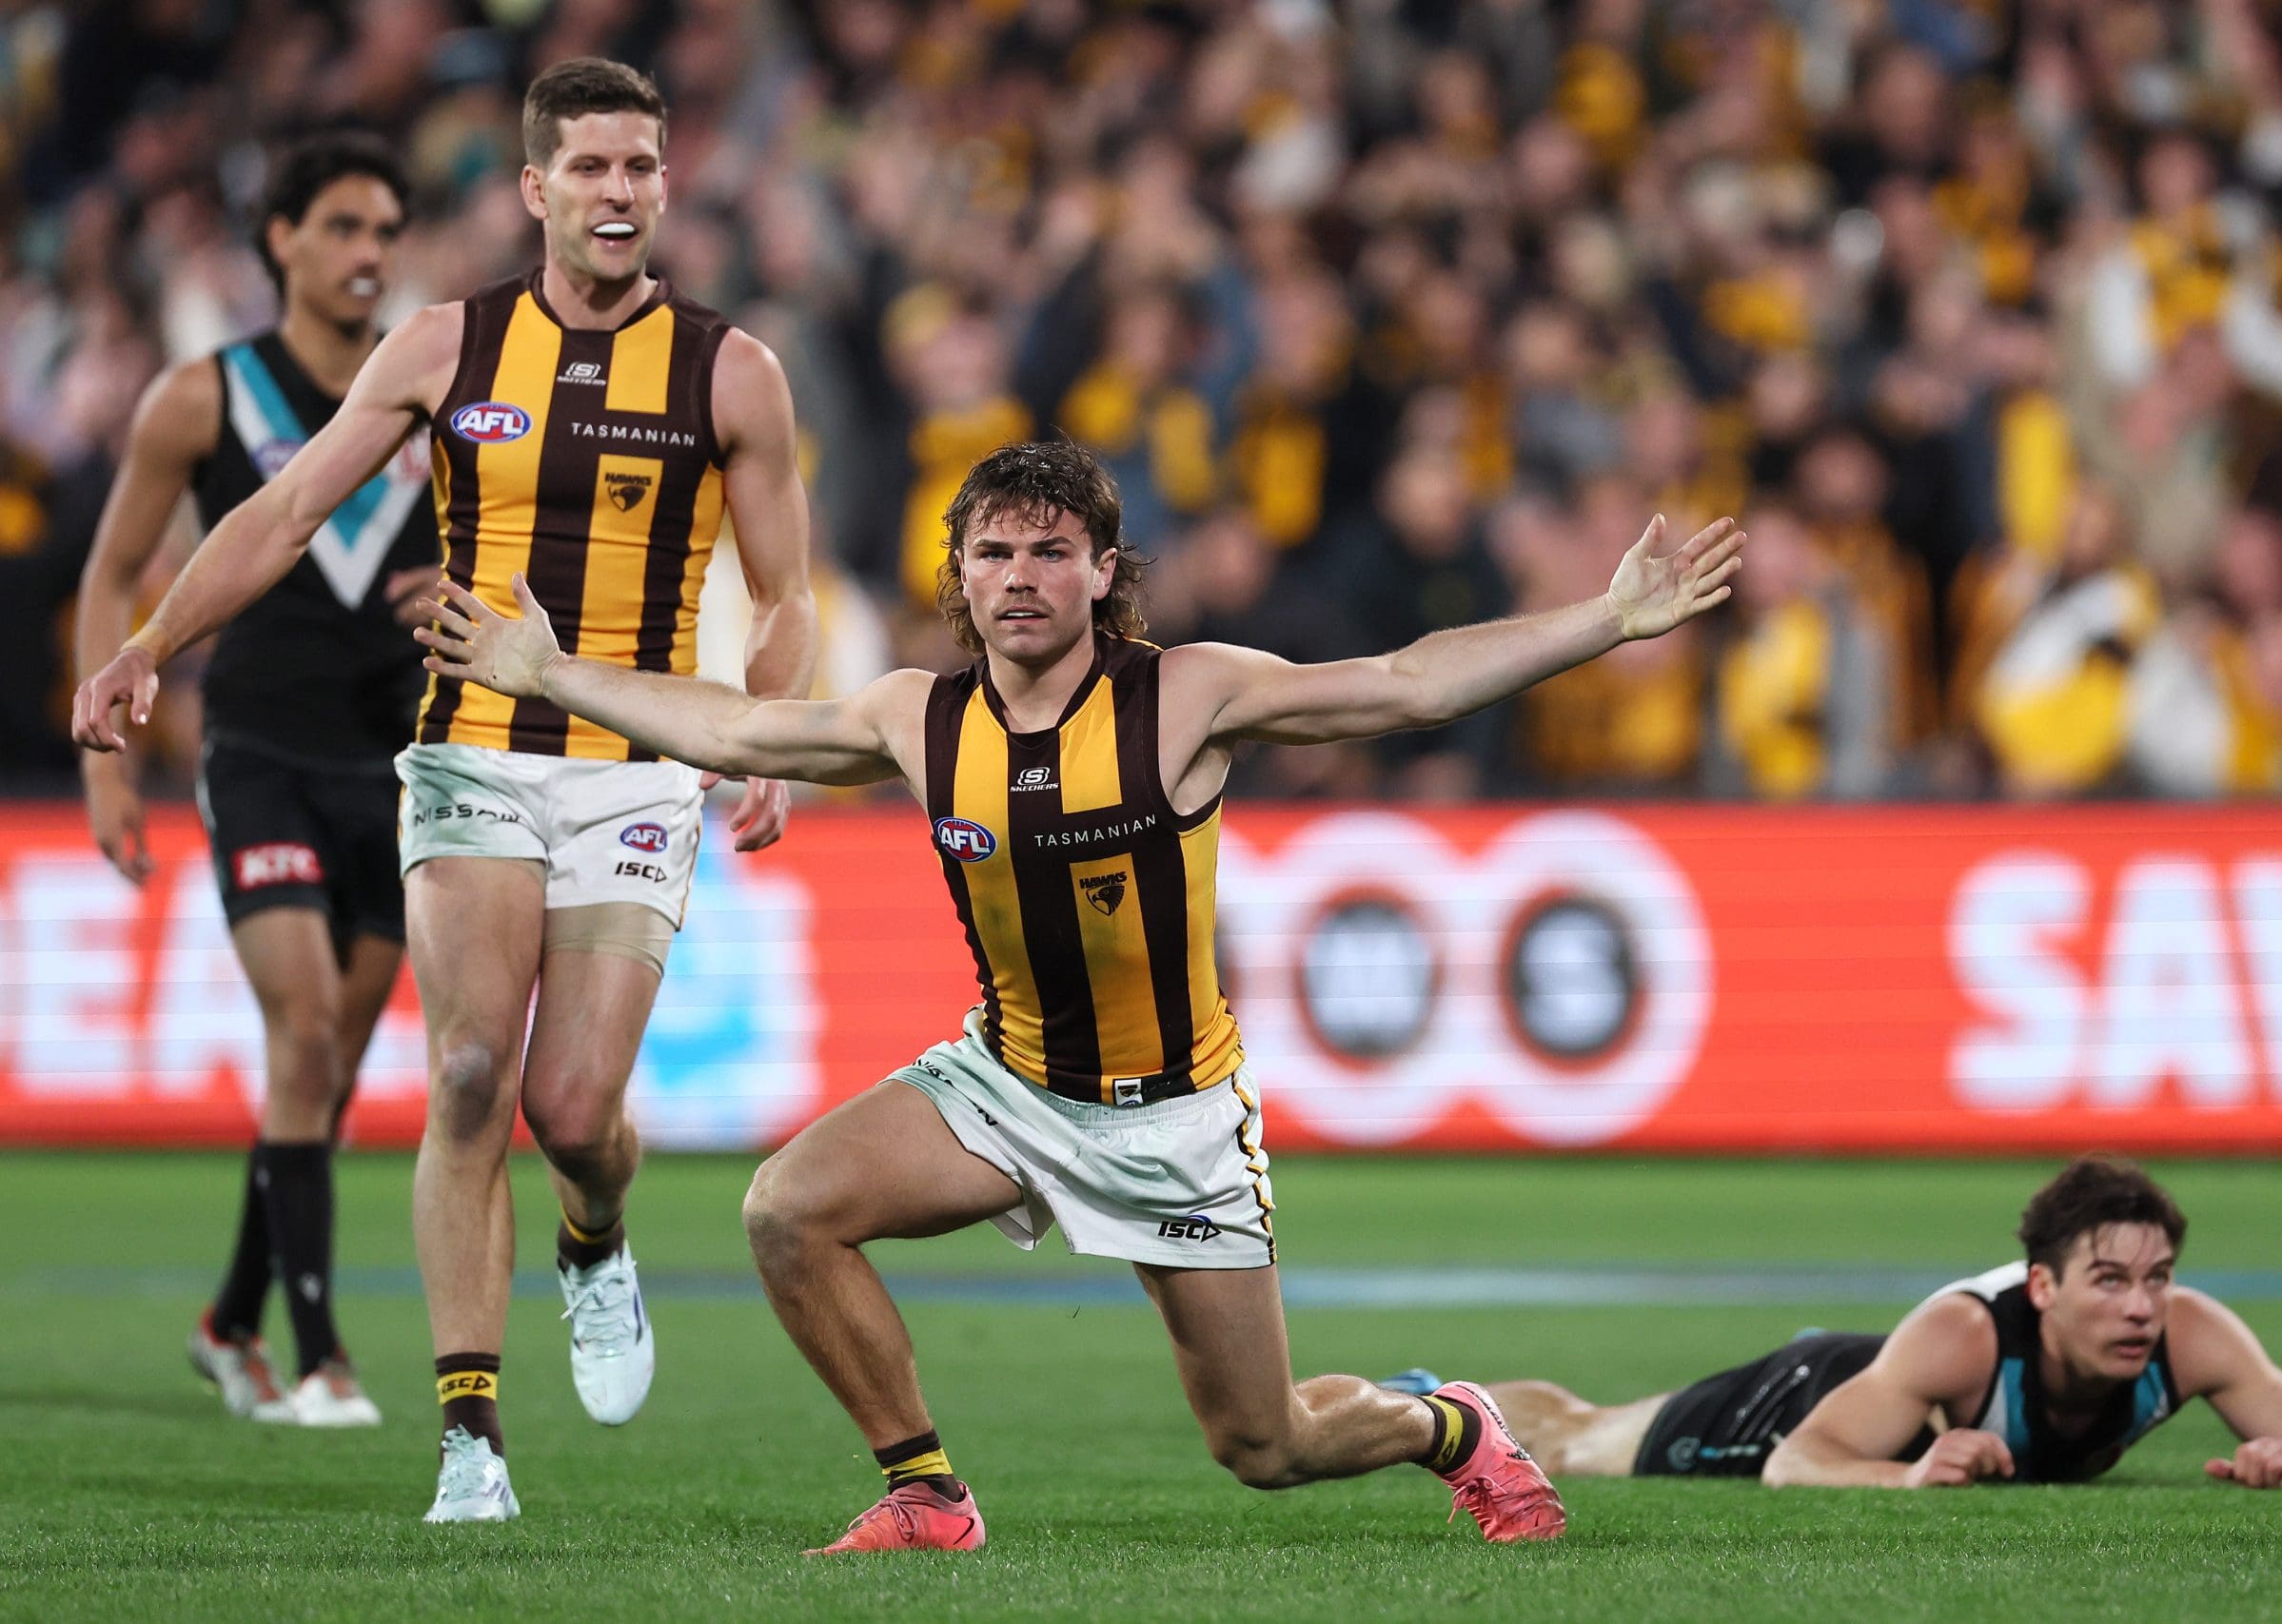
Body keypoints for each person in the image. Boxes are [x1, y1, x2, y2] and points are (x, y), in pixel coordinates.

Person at [410, 437, 1743, 1553]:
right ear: (960, 574)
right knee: (787, 1210)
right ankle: (926, 1492)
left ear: (1105, 571)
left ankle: (1449, 1422)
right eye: (993, 552)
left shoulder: (1184, 695)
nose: (1020, 577)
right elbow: (739, 728)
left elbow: (1404, 686)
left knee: (1266, 1444)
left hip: (1172, 1117)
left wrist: (1605, 620)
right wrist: (548, 674)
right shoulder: (917, 717)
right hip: (1008, 1083)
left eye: (1051, 551)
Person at [71, 59, 819, 1521]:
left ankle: (594, 1233)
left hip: (632, 769)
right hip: (471, 750)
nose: (618, 191)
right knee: (471, 1070)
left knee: (575, 1105)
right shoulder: (444, 345)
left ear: (667, 183)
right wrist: (152, 643)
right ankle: (469, 1435)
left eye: (640, 165)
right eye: (589, 166)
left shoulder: (733, 370)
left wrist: (768, 731)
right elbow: (287, 506)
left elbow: (786, 592)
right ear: (535, 188)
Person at [72, 132, 438, 1429]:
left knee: (322, 1077)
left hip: (399, 764)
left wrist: (471, 590)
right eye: (342, 226)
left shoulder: (433, 396)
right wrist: (105, 769)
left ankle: (229, 1320)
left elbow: (520, 551)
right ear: (280, 239)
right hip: (262, 752)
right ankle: (322, 1355)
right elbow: (110, 575)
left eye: (385, 231)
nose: (368, 254)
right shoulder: (205, 396)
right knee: (306, 1035)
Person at [1411, 1156, 2282, 1491]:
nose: (2140, 1306)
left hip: (1885, 1394)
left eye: (2157, 1278)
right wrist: (1909, 1475)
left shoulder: (2191, 1335)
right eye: (2109, 1280)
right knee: (1580, 1441)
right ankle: (1428, 1406)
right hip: (1816, 1397)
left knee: (1588, 1426)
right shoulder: (1968, 1335)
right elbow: (1797, 1462)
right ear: (2042, 1288)